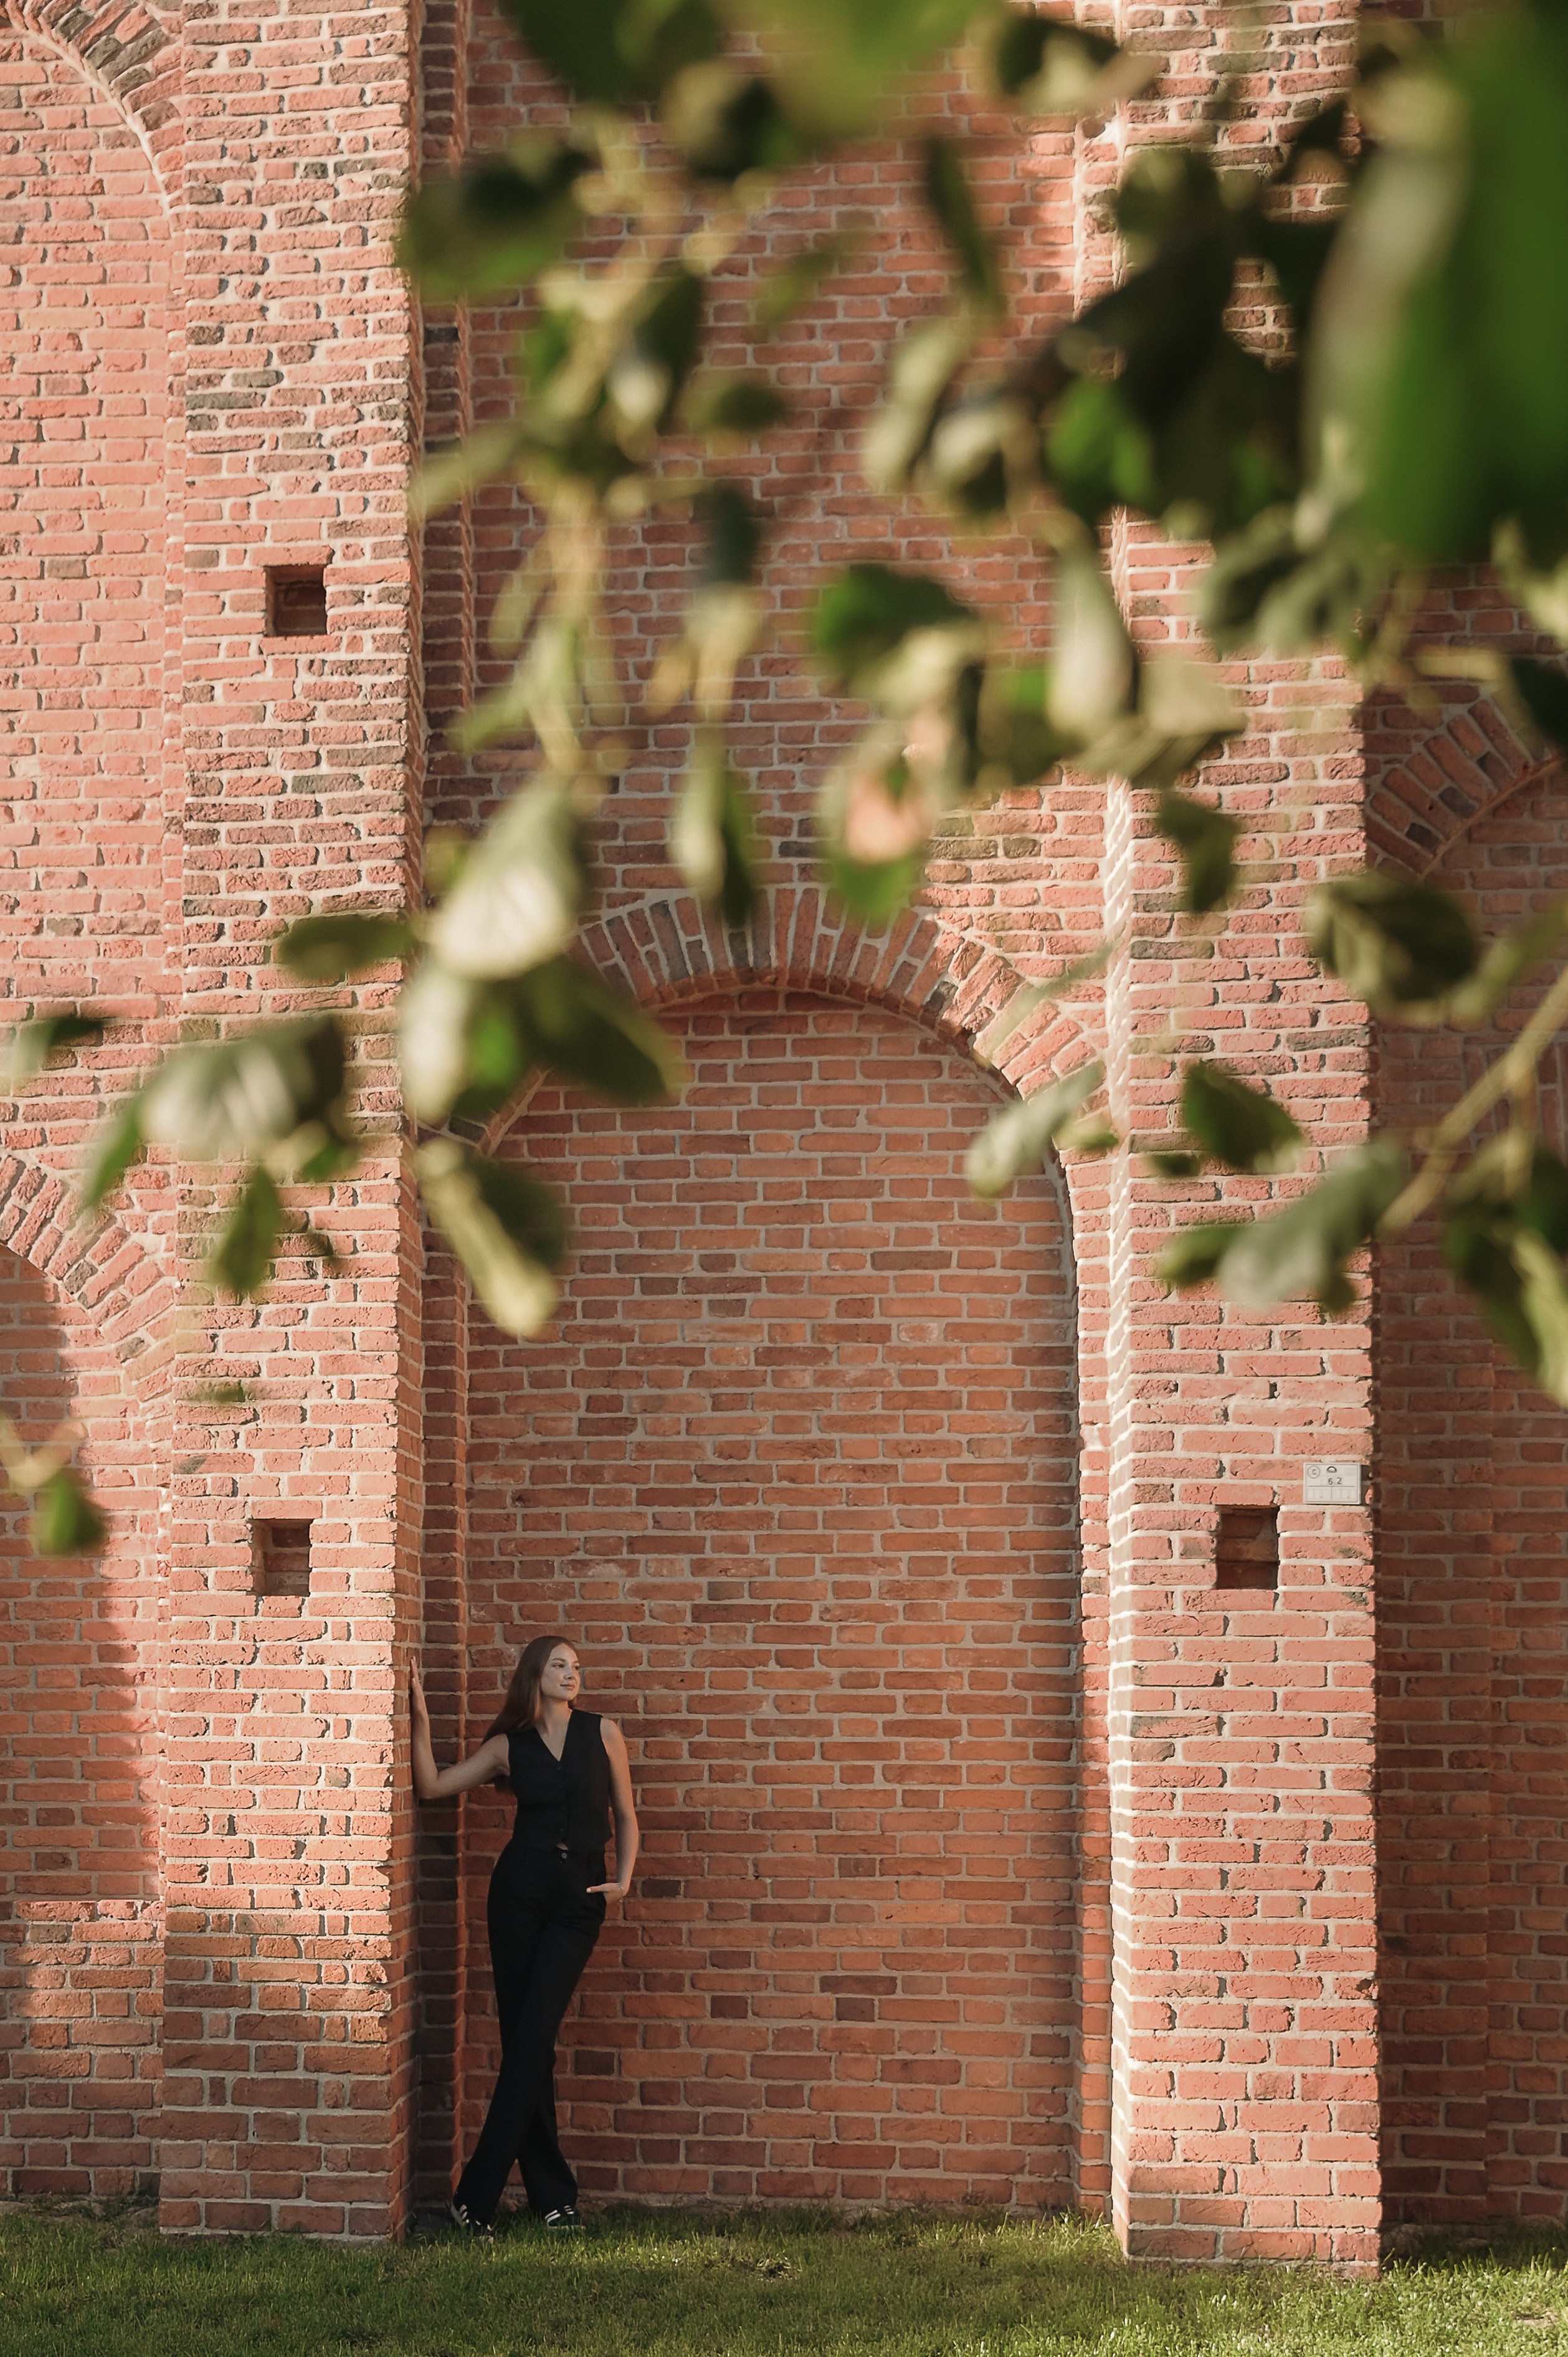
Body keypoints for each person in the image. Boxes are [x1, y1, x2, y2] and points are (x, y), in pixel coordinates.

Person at [409, 1634, 639, 2236]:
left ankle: (473, 2198)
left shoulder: (604, 1732)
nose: (572, 1674)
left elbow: (626, 1814)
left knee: (534, 2036)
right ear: (535, 1674)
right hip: (518, 1895)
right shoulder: (509, 1748)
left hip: (578, 1901)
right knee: (527, 2041)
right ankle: (553, 2197)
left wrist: (623, 1880)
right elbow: (434, 1786)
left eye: (577, 1667)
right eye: (560, 1665)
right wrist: (421, 1718)